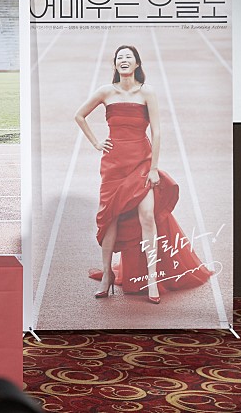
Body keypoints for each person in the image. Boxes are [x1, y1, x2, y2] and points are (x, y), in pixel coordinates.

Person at [74, 44, 211, 303]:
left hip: (141, 163)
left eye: (129, 57)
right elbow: (79, 116)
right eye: (120, 57)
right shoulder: (105, 91)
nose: (124, 60)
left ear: (137, 64)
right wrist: (96, 143)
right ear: (115, 64)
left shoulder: (147, 92)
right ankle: (107, 275)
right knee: (110, 219)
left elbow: (156, 132)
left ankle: (152, 278)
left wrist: (154, 168)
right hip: (113, 165)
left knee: (147, 216)